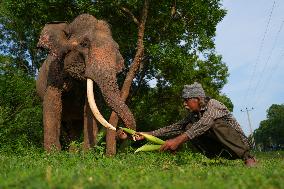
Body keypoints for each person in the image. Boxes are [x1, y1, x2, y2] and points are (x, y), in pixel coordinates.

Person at [130, 82, 257, 167]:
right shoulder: (194, 114)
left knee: (212, 124)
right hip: (224, 149)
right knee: (188, 126)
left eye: (186, 101)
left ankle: (248, 157)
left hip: (239, 144)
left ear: (196, 99)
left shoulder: (214, 105)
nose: (184, 104)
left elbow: (204, 124)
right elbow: (176, 127)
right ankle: (217, 157)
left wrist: (177, 141)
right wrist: (147, 134)